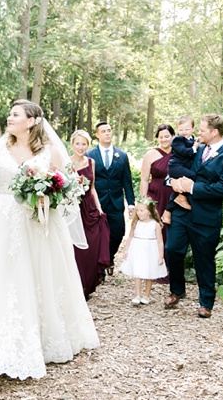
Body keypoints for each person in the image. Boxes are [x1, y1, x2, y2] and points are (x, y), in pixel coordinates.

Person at [0, 100, 100, 380]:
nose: (10, 118)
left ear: (31, 120)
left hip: (37, 223)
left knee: (36, 276)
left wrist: (48, 196)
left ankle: (41, 337)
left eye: (15, 114)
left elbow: (69, 187)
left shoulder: (49, 151)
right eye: (10, 114)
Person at [164, 114, 223, 318]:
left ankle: (206, 302)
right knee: (172, 249)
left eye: (201, 130)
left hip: (206, 217)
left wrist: (193, 188)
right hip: (181, 210)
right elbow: (175, 165)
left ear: (214, 132)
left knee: (204, 259)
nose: (197, 133)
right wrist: (170, 182)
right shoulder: (196, 148)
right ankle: (177, 290)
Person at [86, 121, 135, 280]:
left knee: (118, 232)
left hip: (116, 201)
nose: (107, 133)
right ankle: (100, 268)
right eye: (103, 131)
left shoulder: (122, 156)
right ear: (97, 135)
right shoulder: (89, 155)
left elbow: (127, 181)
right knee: (98, 235)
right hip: (96, 202)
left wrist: (131, 203)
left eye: (109, 130)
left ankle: (109, 257)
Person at [69, 130, 110, 299]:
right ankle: (76, 286)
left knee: (92, 247)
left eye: (84, 144)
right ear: (72, 145)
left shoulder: (91, 161)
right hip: (73, 207)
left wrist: (99, 209)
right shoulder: (67, 163)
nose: (81, 147)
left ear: (88, 145)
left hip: (89, 207)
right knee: (77, 249)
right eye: (77, 144)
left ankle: (88, 284)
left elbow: (92, 188)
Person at [119, 197, 166, 305]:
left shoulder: (155, 225)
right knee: (138, 271)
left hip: (150, 250)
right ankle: (137, 294)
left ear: (149, 212)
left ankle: (147, 295)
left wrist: (160, 256)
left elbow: (160, 242)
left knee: (149, 272)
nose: (138, 213)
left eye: (141, 210)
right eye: (137, 210)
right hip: (138, 249)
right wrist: (126, 250)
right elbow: (130, 237)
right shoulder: (136, 223)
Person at [140, 123, 175, 228]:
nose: (164, 139)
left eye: (167, 136)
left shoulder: (179, 153)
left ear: (173, 136)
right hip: (155, 196)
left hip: (173, 196)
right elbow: (144, 180)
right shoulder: (150, 154)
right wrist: (143, 201)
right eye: (161, 137)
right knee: (155, 226)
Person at [164, 116, 198, 223]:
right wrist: (194, 148)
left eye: (187, 129)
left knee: (179, 188)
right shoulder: (177, 140)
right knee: (192, 176)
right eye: (181, 130)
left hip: (182, 167)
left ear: (193, 129)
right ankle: (181, 198)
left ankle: (169, 210)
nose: (184, 132)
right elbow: (184, 151)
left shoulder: (193, 139)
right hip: (175, 167)